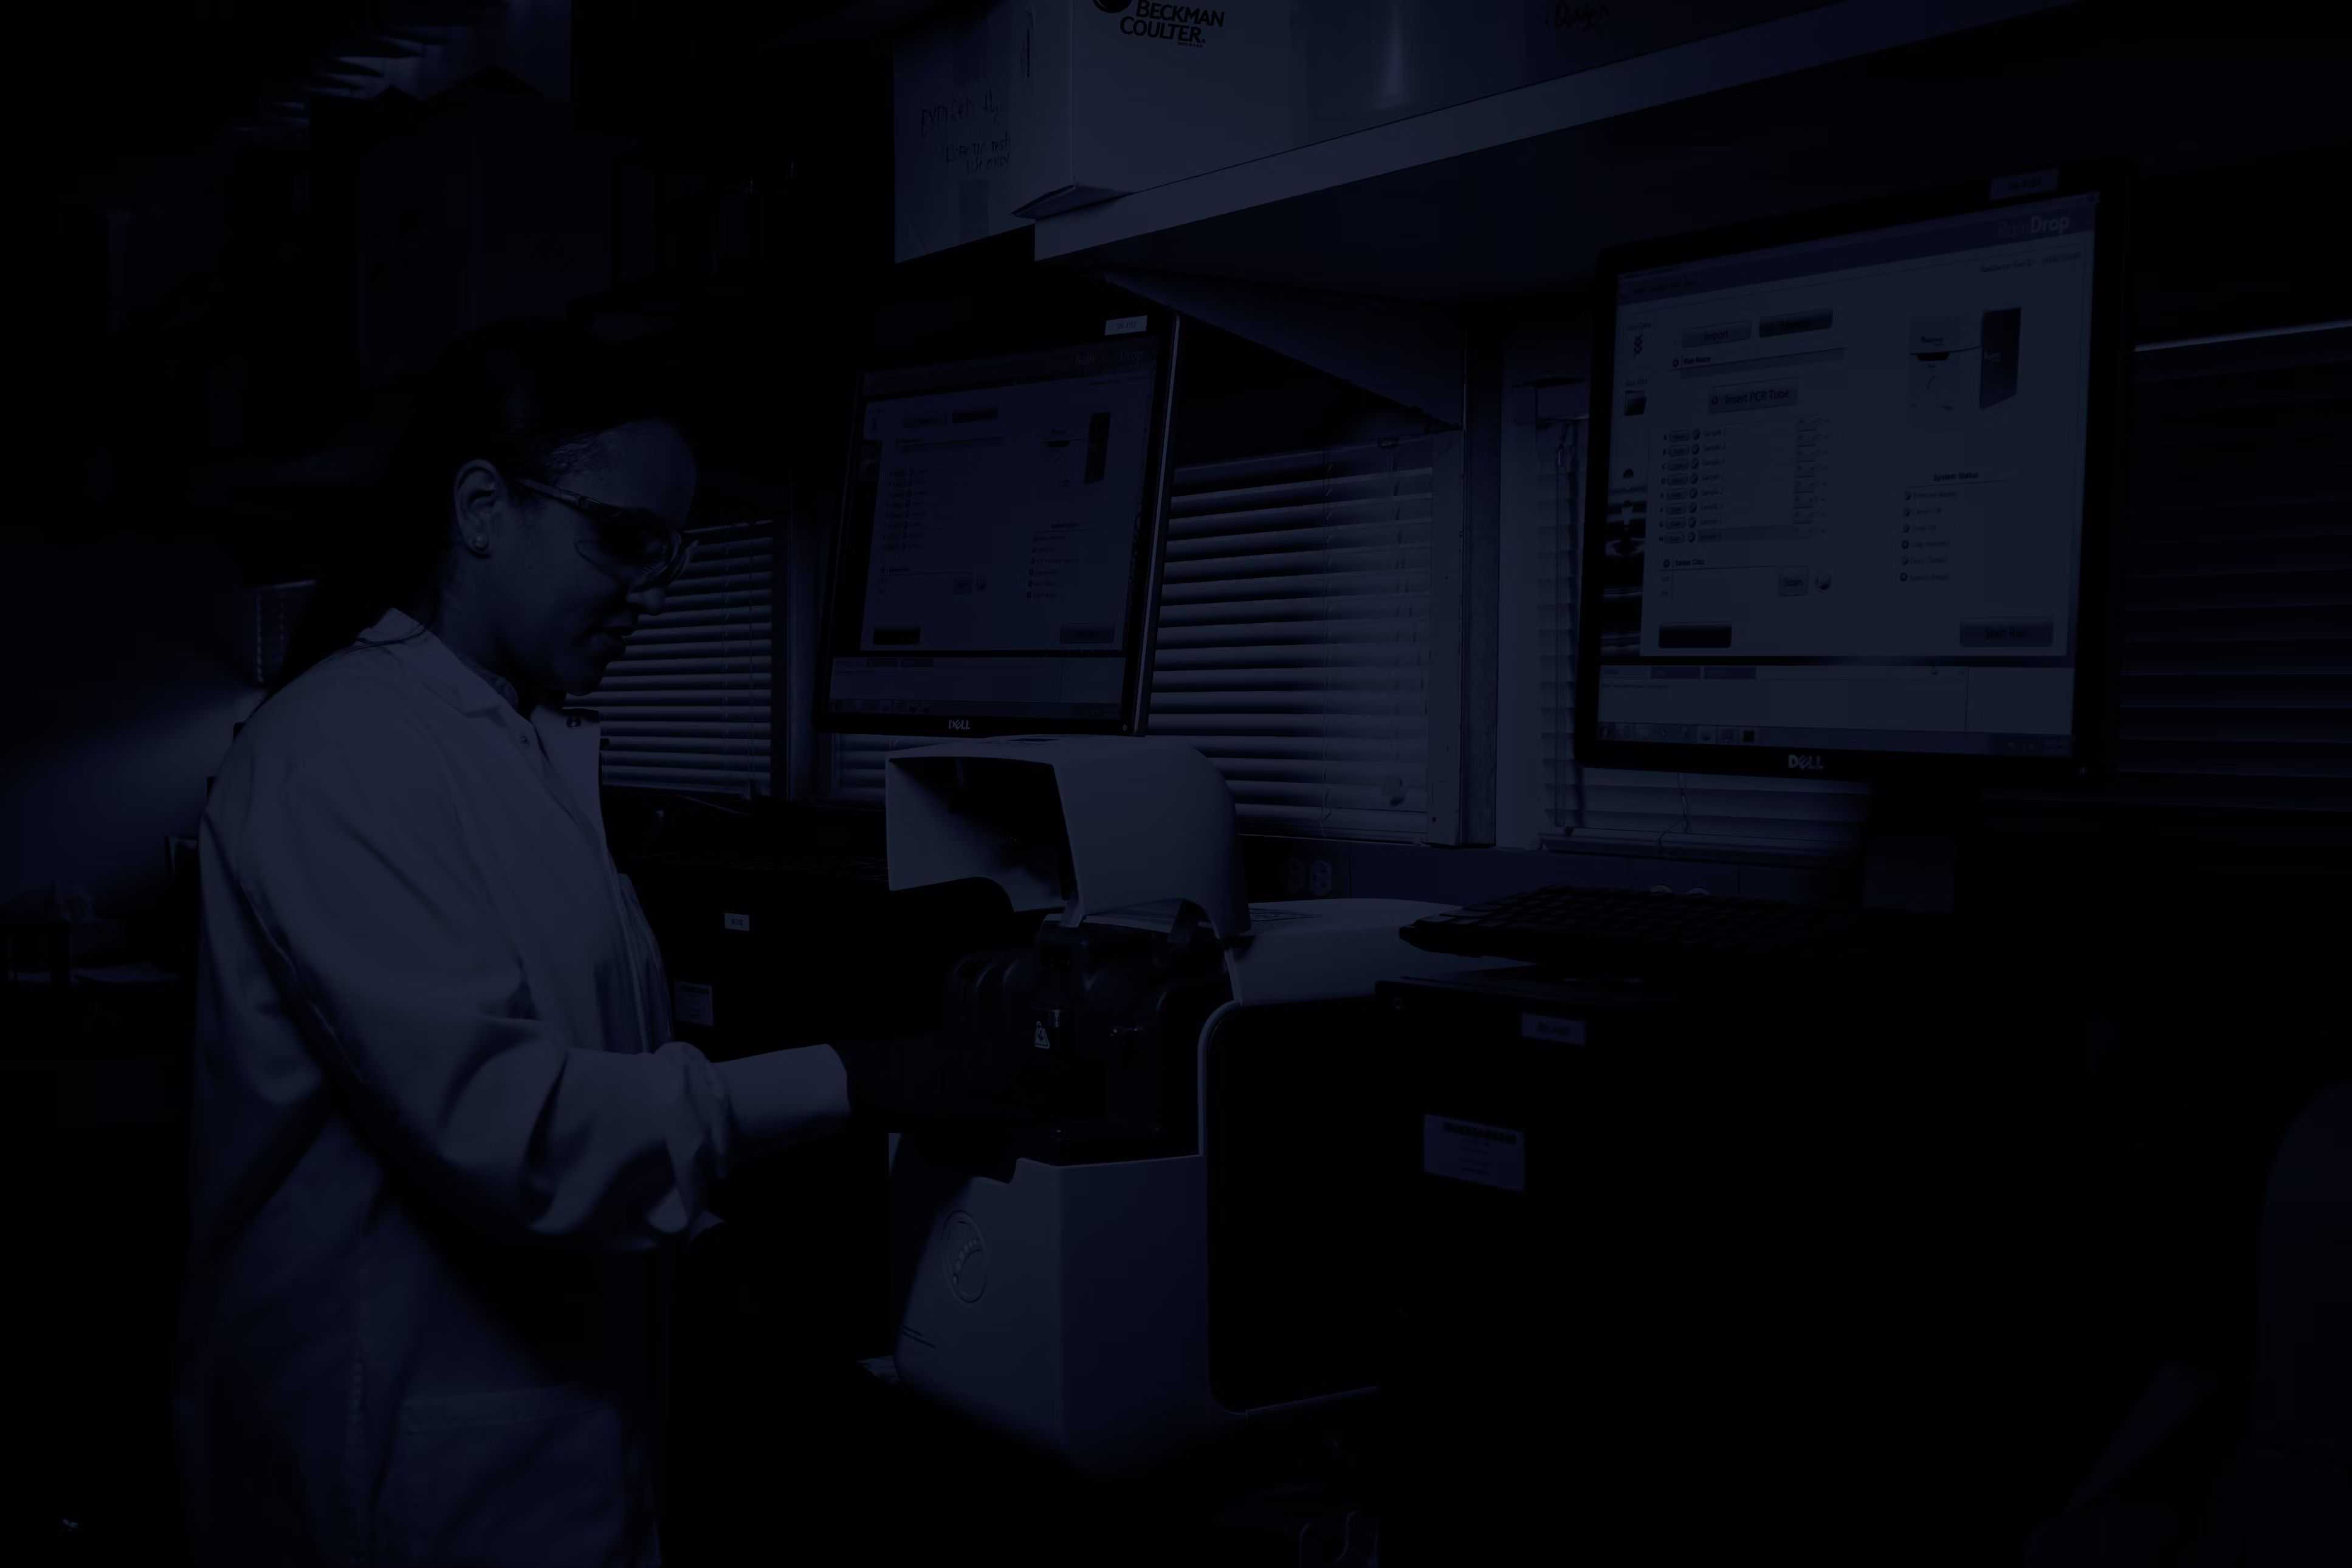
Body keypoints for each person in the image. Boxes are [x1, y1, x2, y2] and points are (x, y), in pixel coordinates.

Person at [174, 318, 1012, 1567]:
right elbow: (516, 1131)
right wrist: (861, 1075)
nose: (655, 586)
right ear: (479, 509)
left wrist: (704, 1251)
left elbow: (601, 1055)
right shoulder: (342, 751)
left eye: (674, 551)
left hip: (539, 1446)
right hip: (400, 1462)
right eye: (622, 540)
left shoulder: (515, 745)